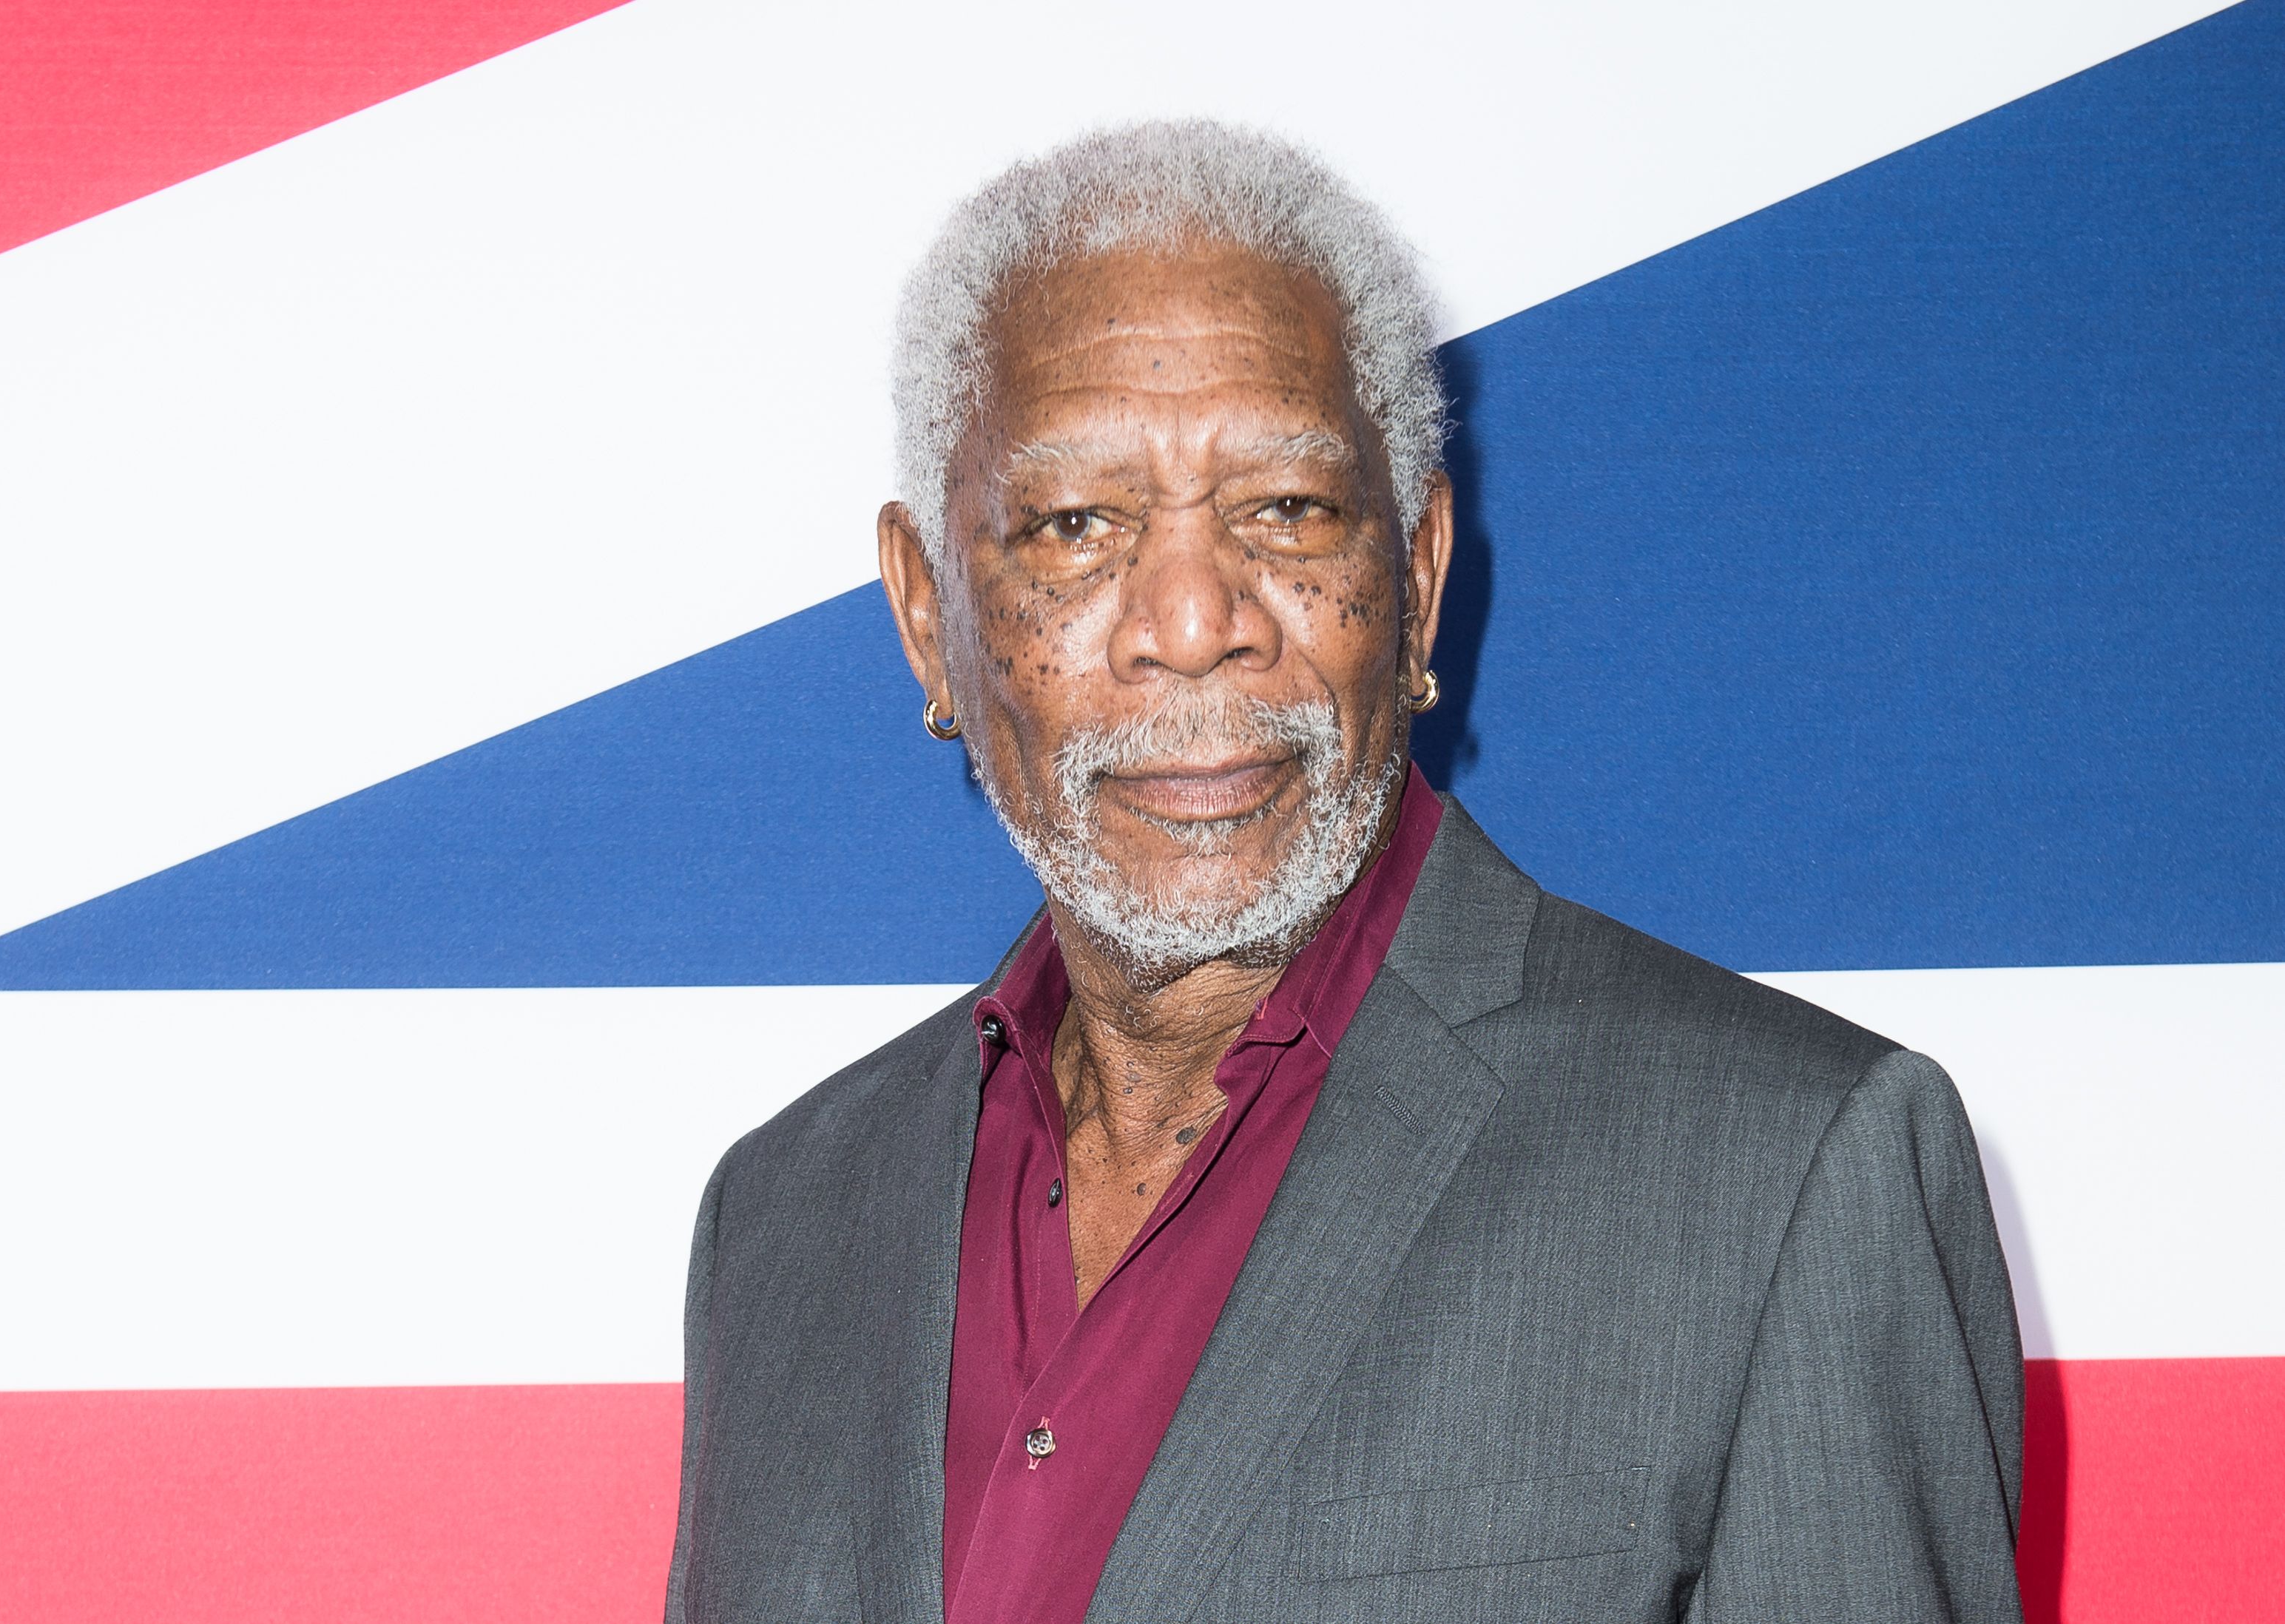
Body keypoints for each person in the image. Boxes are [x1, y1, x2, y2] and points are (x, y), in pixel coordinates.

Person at [664, 120, 2024, 1624]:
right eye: (1075, 525)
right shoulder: (781, 1219)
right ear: (931, 622)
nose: (1194, 620)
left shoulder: (1784, 1175)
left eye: (1287, 511)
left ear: (1421, 575)